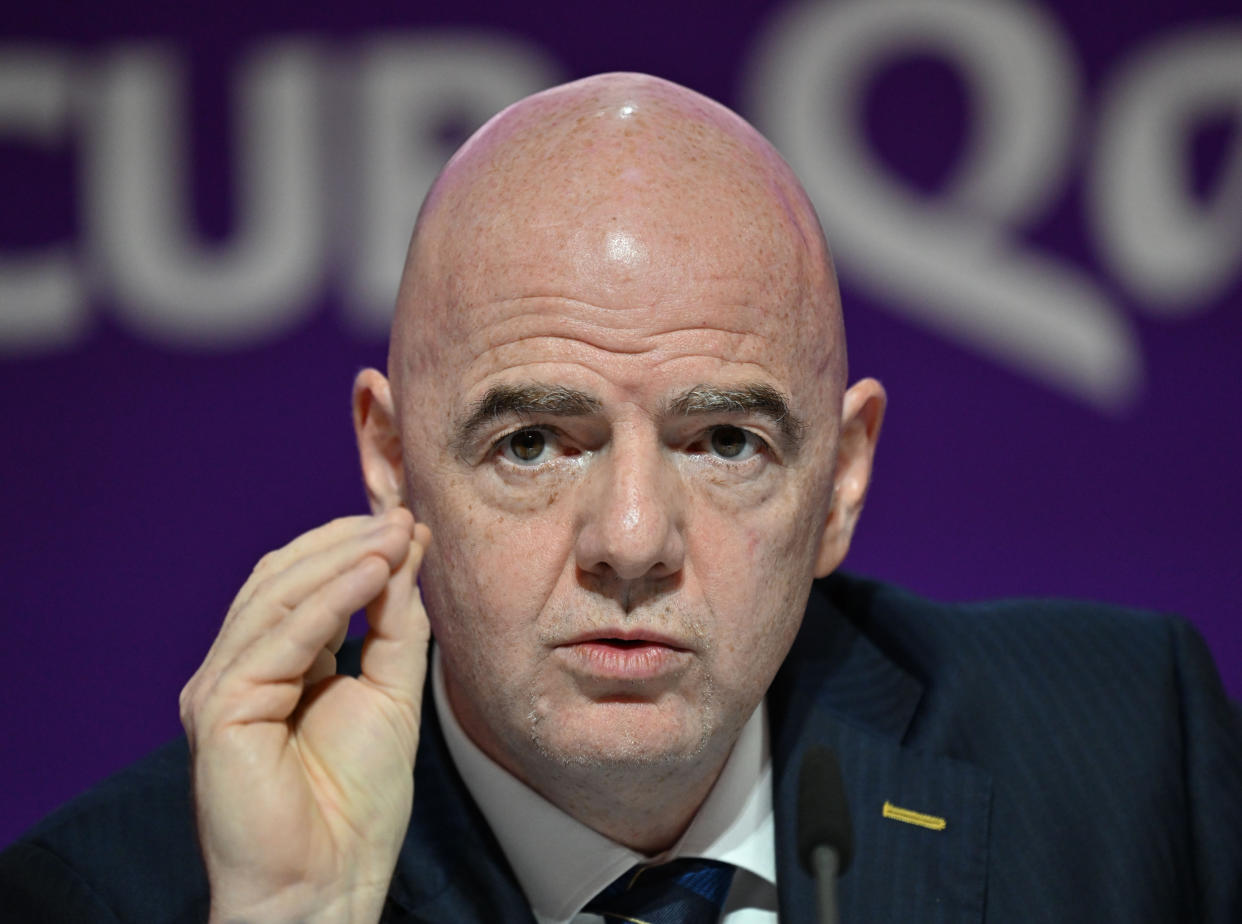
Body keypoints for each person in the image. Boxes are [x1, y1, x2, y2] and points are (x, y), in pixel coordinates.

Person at [1, 72, 1239, 924]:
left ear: (843, 481)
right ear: (389, 461)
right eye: (535, 442)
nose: (634, 542)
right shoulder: (122, 892)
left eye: (725, 442)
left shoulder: (1127, 760)